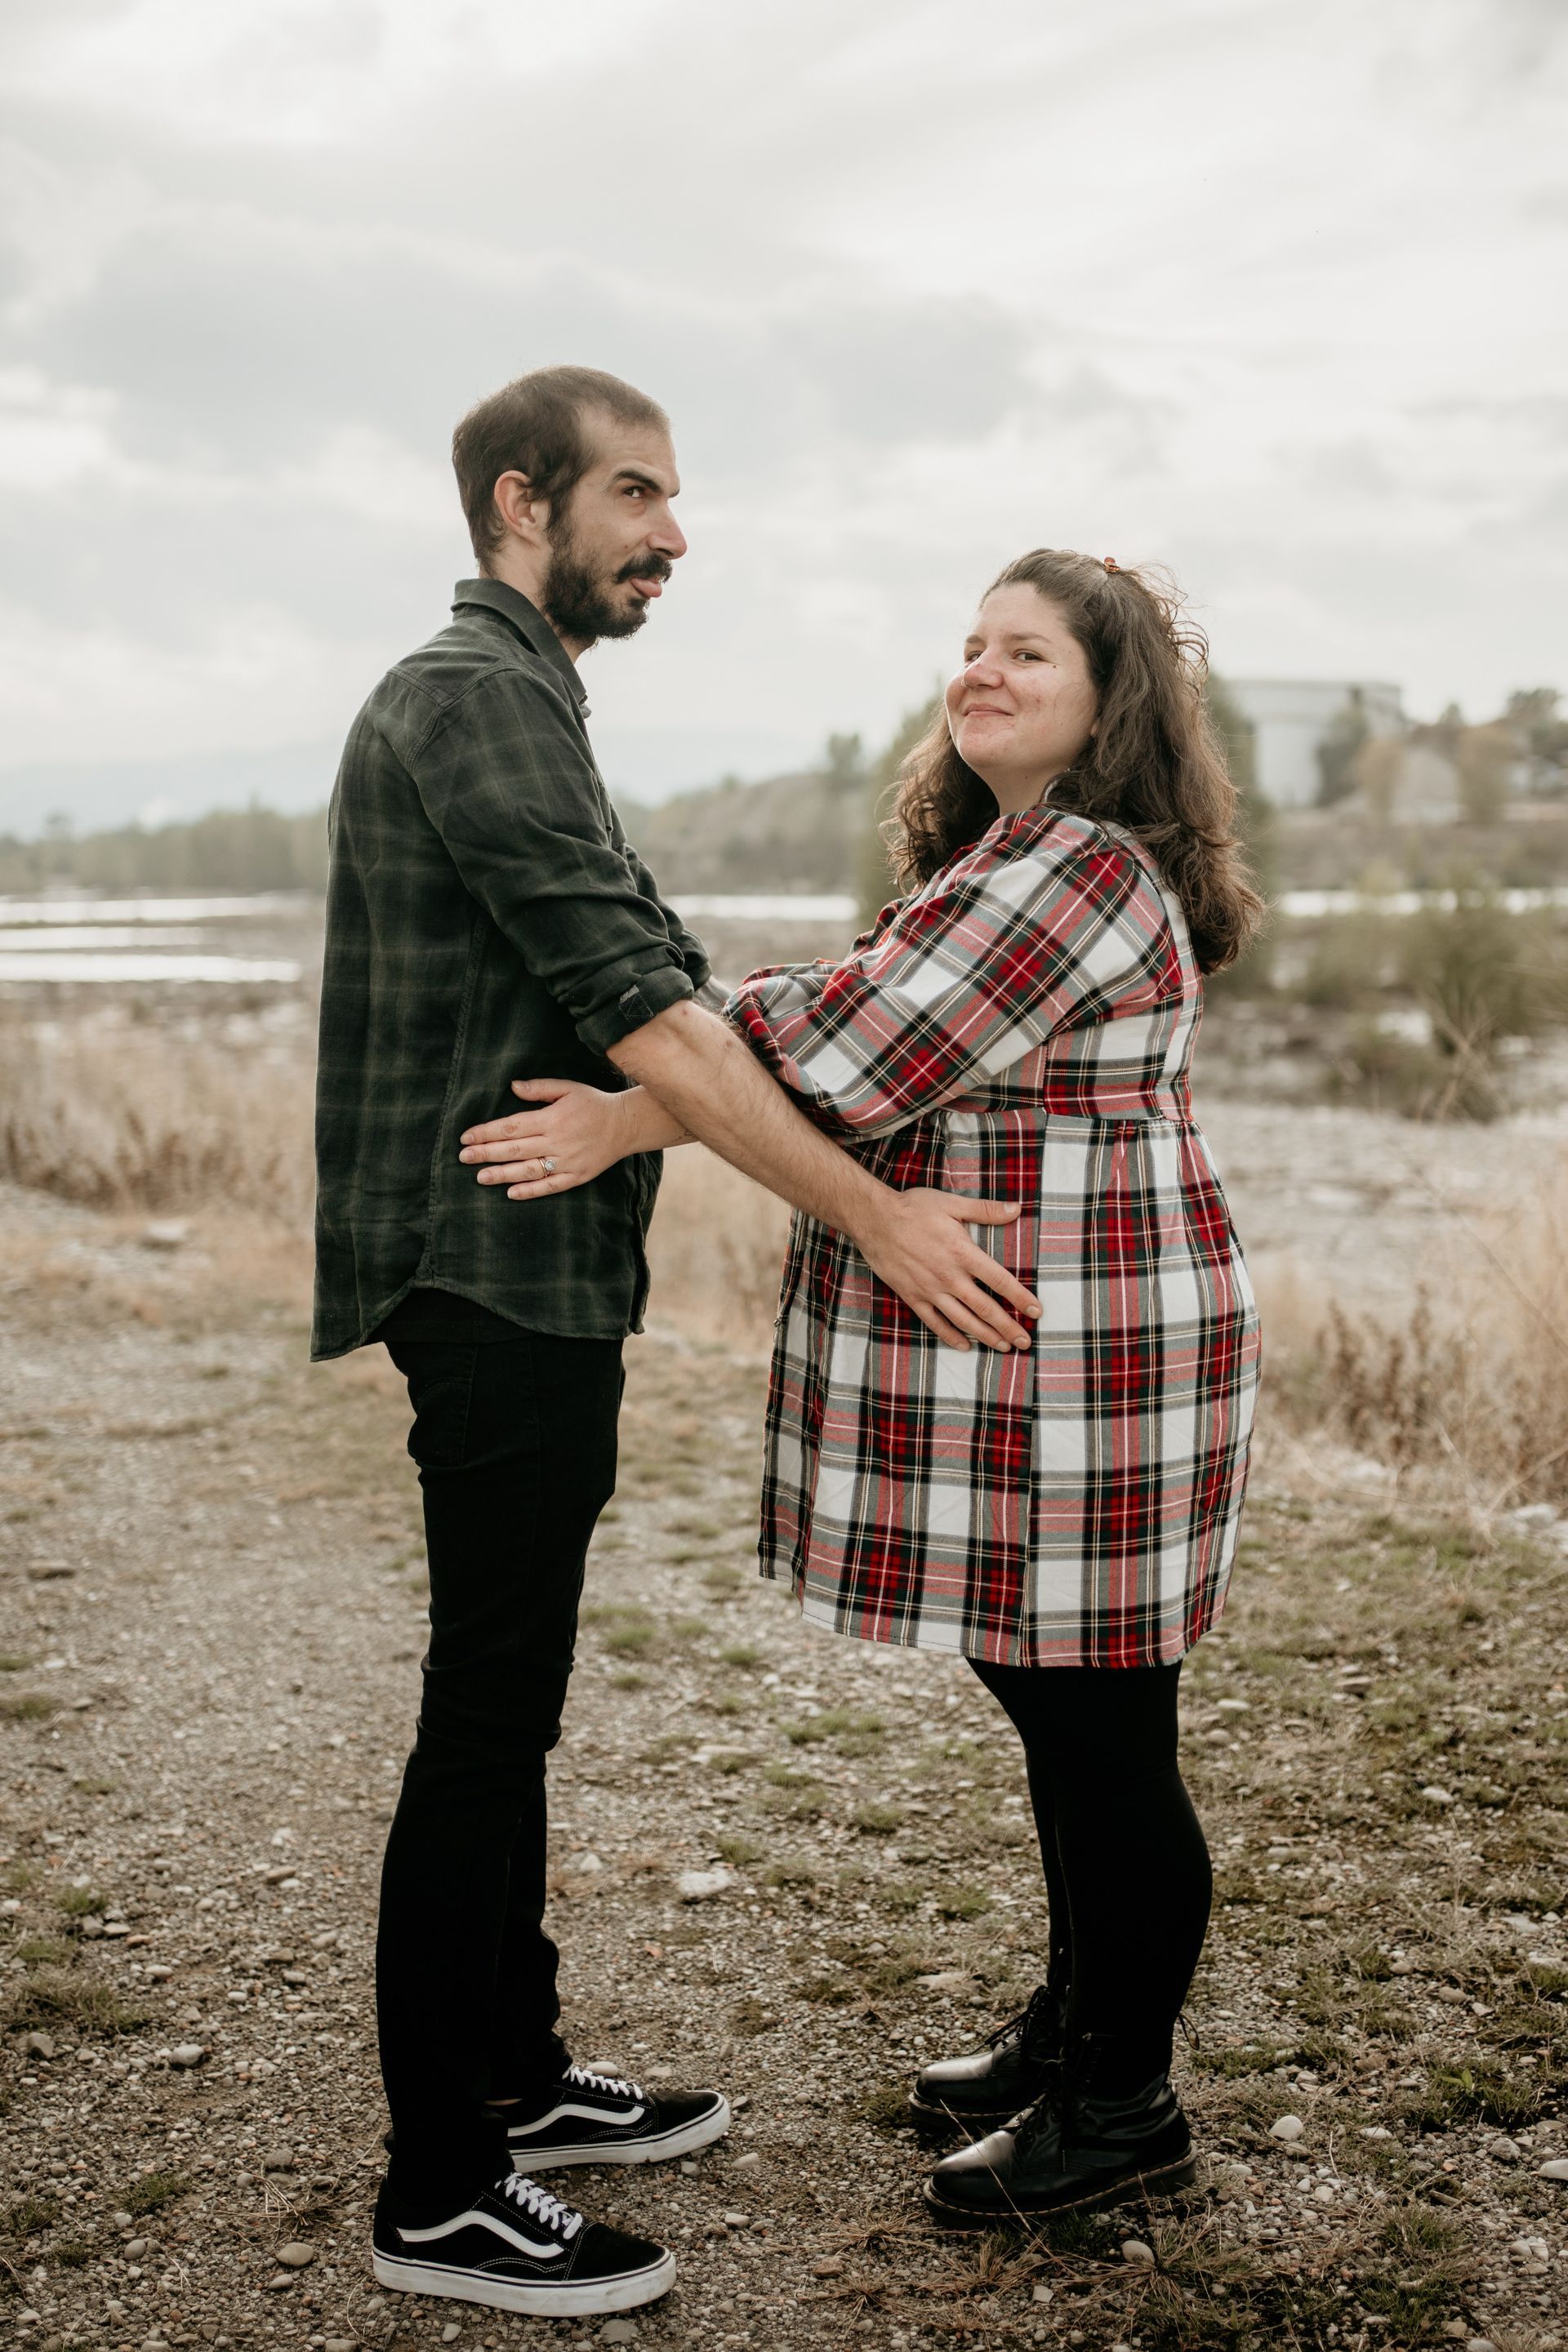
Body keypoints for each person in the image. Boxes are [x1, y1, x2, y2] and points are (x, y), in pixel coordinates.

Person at [311, 365, 1044, 2319]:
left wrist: (677, 1094)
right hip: (485, 1269)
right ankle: (441, 2186)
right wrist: (873, 1213)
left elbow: (664, 981)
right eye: (638, 494)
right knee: (485, 1715)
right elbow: (646, 1006)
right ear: (520, 504)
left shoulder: (523, 699)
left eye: (676, 495)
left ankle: (520, 2073)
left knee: (519, 1694)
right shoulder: (472, 697)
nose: (675, 533)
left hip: (532, 1265)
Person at [458, 546, 1265, 2230]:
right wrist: (697, 1063)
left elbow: (852, 1036)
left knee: (1103, 1730)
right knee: (1056, 1702)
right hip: (1041, 1336)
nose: (978, 672)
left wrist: (637, 1090)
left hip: (1089, 1346)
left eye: (1026, 654)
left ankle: (1125, 2105)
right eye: (968, 647)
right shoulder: (1009, 857)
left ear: (1111, 702)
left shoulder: (1079, 868)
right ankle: (1078, 2028)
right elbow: (849, 1029)